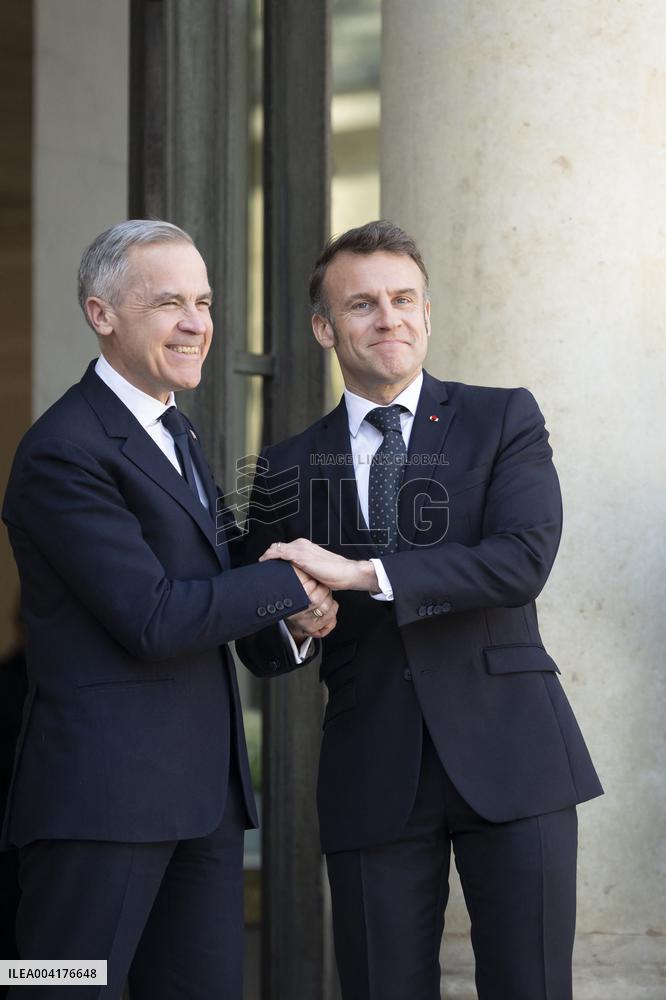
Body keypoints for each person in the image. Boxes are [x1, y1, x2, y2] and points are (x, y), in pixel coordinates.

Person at [236, 220, 603, 1000]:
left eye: (404, 299)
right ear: (324, 327)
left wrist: (362, 572)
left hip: (514, 755)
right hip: (373, 771)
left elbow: (521, 561)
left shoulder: (503, 418)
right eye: (362, 304)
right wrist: (293, 624)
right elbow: (257, 643)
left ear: (427, 313)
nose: (389, 318)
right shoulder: (287, 466)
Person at [1, 219, 336, 999]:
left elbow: (210, 591)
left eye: (205, 302)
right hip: (99, 809)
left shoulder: (174, 430)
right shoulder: (63, 450)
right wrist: (293, 577)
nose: (197, 325)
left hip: (202, 804)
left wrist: (288, 623)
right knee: (54, 989)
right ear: (102, 313)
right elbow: (152, 616)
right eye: (169, 304)